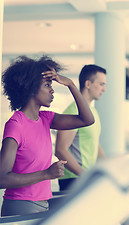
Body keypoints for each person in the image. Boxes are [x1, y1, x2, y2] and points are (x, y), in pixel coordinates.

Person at [0, 55, 94, 216]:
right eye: (47, 84)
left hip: (42, 204)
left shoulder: (46, 119)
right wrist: (46, 174)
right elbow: (2, 178)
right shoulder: (16, 125)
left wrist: (70, 84)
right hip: (20, 206)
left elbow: (86, 119)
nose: (52, 90)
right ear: (30, 87)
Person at [55, 64, 106, 191]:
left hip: (86, 178)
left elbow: (95, 144)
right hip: (73, 179)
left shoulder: (93, 111)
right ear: (88, 84)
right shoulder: (72, 111)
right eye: (101, 84)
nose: (104, 89)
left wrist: (106, 171)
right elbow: (61, 150)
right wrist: (85, 176)